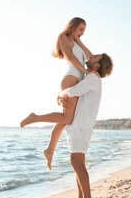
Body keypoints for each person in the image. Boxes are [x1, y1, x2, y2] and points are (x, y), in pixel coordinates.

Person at [20, 17, 92, 170]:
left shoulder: (76, 42)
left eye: (84, 31)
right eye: (80, 29)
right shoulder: (63, 37)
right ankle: (35, 118)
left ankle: (50, 150)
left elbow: (90, 57)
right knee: (66, 117)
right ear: (72, 26)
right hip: (71, 79)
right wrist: (85, 71)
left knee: (65, 120)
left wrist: (79, 41)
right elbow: (71, 58)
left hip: (77, 81)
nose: (82, 33)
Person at [58, 53, 113, 198]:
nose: (91, 55)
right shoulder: (93, 78)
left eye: (95, 57)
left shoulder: (93, 78)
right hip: (81, 124)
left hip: (81, 125)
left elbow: (72, 91)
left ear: (97, 66)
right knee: (78, 162)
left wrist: (59, 94)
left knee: (76, 161)